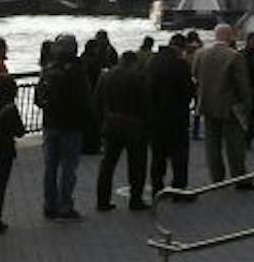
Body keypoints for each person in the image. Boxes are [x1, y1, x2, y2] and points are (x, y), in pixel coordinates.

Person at [36, 35, 93, 219]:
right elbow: (85, 99)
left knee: (50, 166)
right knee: (68, 167)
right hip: (71, 125)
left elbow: (38, 98)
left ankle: (49, 204)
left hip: (50, 123)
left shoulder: (48, 69)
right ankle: (65, 205)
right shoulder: (77, 71)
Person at [192, 24, 254, 190]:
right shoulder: (235, 56)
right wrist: (248, 105)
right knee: (234, 145)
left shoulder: (201, 54)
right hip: (230, 107)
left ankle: (217, 179)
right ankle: (239, 178)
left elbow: (195, 75)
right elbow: (243, 85)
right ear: (230, 36)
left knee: (212, 145)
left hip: (206, 105)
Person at [94, 51, 151, 211]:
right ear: (133, 62)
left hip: (111, 125)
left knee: (108, 163)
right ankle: (135, 200)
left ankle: (102, 201)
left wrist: (102, 122)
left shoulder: (105, 76)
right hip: (135, 127)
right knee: (137, 164)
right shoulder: (139, 78)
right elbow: (147, 104)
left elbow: (97, 101)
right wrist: (148, 125)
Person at [146, 35, 194, 197]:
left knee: (158, 155)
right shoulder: (180, 64)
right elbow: (188, 90)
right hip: (176, 116)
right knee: (179, 155)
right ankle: (178, 188)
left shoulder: (153, 62)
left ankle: (157, 187)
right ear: (181, 48)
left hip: (155, 116)